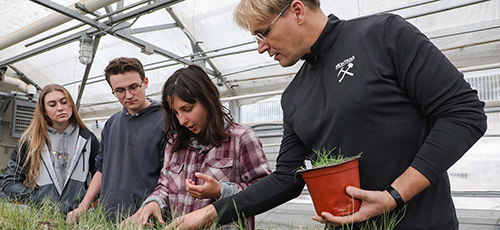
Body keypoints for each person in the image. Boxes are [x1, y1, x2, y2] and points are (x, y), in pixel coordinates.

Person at [167, 0, 488, 229]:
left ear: (296, 10)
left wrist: (393, 196)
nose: (261, 47)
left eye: (263, 32)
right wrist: (210, 213)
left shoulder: (382, 35)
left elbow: (462, 114)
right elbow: (286, 180)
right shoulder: (294, 96)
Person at [125, 64, 271, 229]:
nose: (181, 120)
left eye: (187, 109)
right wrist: (154, 202)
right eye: (176, 113)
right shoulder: (175, 143)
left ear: (208, 100)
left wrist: (221, 191)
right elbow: (165, 186)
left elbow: (266, 190)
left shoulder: (241, 139)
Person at [66, 57, 165, 223]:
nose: (128, 95)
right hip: (107, 217)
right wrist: (83, 205)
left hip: (146, 221)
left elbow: (169, 177)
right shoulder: (112, 123)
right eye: (120, 90)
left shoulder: (165, 120)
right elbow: (101, 167)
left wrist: (142, 214)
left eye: (134, 87)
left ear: (145, 82)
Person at [2, 84, 99, 213]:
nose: (60, 108)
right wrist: (37, 200)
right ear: (44, 111)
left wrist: (84, 205)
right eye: (52, 105)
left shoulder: (87, 139)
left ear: (71, 105)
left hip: (79, 218)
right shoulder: (31, 140)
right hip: (43, 219)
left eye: (64, 102)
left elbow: (102, 175)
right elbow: (10, 182)